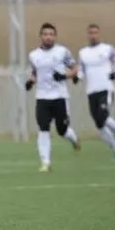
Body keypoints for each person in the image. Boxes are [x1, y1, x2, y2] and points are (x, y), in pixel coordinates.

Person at [25, 23, 81, 172]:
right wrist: (30, 82)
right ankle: (45, 162)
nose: (48, 37)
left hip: (60, 96)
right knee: (43, 129)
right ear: (40, 36)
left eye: (51, 34)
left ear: (55, 36)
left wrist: (65, 75)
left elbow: (75, 69)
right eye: (45, 34)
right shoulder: (33, 55)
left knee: (62, 130)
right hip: (42, 98)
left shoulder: (63, 52)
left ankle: (74, 139)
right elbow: (34, 73)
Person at [77, 23, 115, 160]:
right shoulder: (83, 53)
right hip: (91, 91)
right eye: (91, 33)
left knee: (103, 116)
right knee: (99, 124)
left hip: (106, 89)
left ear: (99, 34)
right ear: (88, 35)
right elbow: (81, 71)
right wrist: (77, 77)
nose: (93, 35)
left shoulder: (107, 49)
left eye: (95, 32)